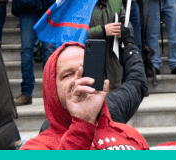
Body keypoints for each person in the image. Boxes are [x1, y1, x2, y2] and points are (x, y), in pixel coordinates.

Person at [20, 41, 150, 150]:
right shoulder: (35, 148)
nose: (78, 80)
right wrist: (81, 126)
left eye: (86, 71)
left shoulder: (131, 135)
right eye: (67, 75)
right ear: (51, 88)